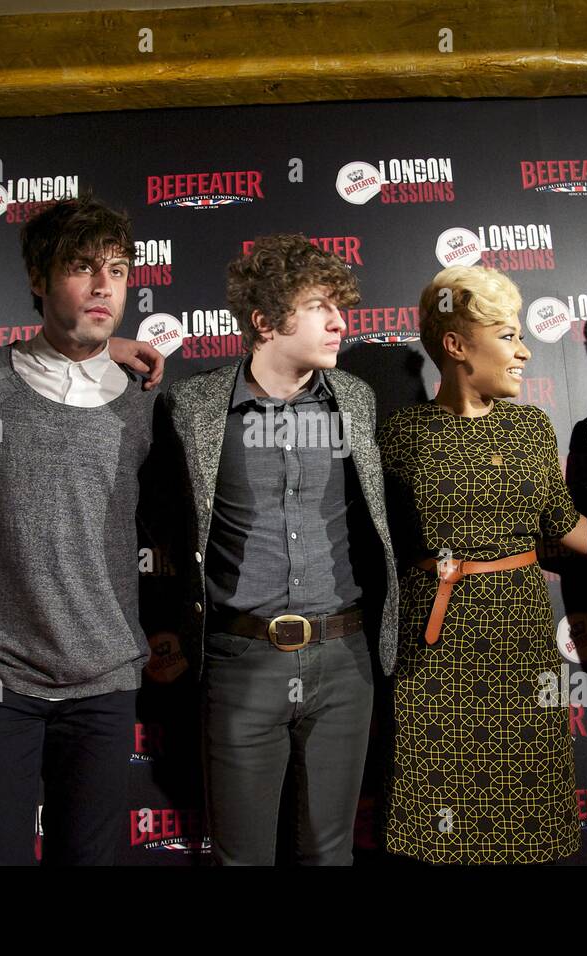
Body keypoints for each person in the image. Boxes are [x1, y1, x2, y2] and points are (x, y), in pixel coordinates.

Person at [155, 233, 397, 865]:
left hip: (344, 659)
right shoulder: (192, 407)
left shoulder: (355, 402)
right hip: (240, 661)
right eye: (319, 305)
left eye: (339, 306)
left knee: (330, 855)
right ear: (264, 321)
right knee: (242, 859)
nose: (339, 321)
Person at [0, 195, 164, 865]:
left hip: (105, 682)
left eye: (118, 270)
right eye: (81, 267)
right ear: (38, 279)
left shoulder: (144, 401)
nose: (104, 286)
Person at [377, 265, 587, 864]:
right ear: (455, 346)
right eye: (507, 336)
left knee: (526, 802)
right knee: (443, 812)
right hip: (437, 642)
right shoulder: (399, 433)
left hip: (522, 635)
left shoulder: (530, 425)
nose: (526, 351)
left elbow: (566, 525)